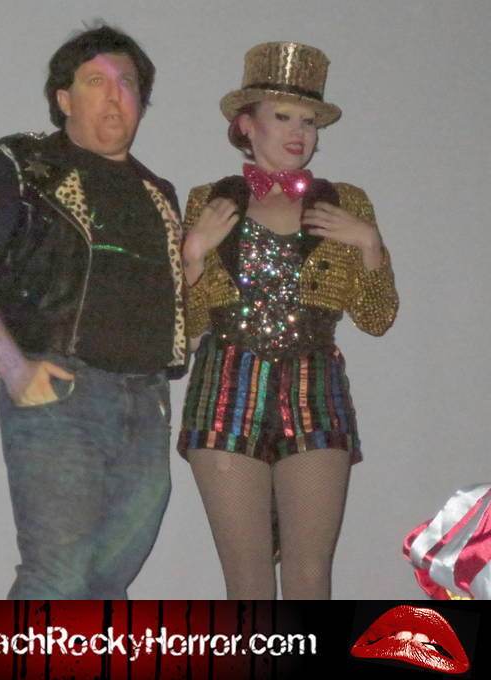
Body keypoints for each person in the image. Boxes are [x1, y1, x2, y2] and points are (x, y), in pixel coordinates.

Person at [0, 24, 186, 599]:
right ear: (64, 99)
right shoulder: (26, 165)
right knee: (58, 577)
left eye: (127, 83)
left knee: (107, 584)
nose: (115, 95)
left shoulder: (159, 194)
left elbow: (165, 308)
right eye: (96, 81)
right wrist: (15, 369)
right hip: (63, 392)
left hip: (146, 401)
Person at [179, 42, 398, 599]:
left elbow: (377, 317)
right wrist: (192, 256)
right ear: (246, 125)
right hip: (225, 387)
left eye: (309, 121)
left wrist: (369, 244)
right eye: (283, 117)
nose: (300, 132)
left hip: (316, 386)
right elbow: (183, 331)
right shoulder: (208, 201)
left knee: (309, 575)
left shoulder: (347, 202)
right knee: (246, 581)